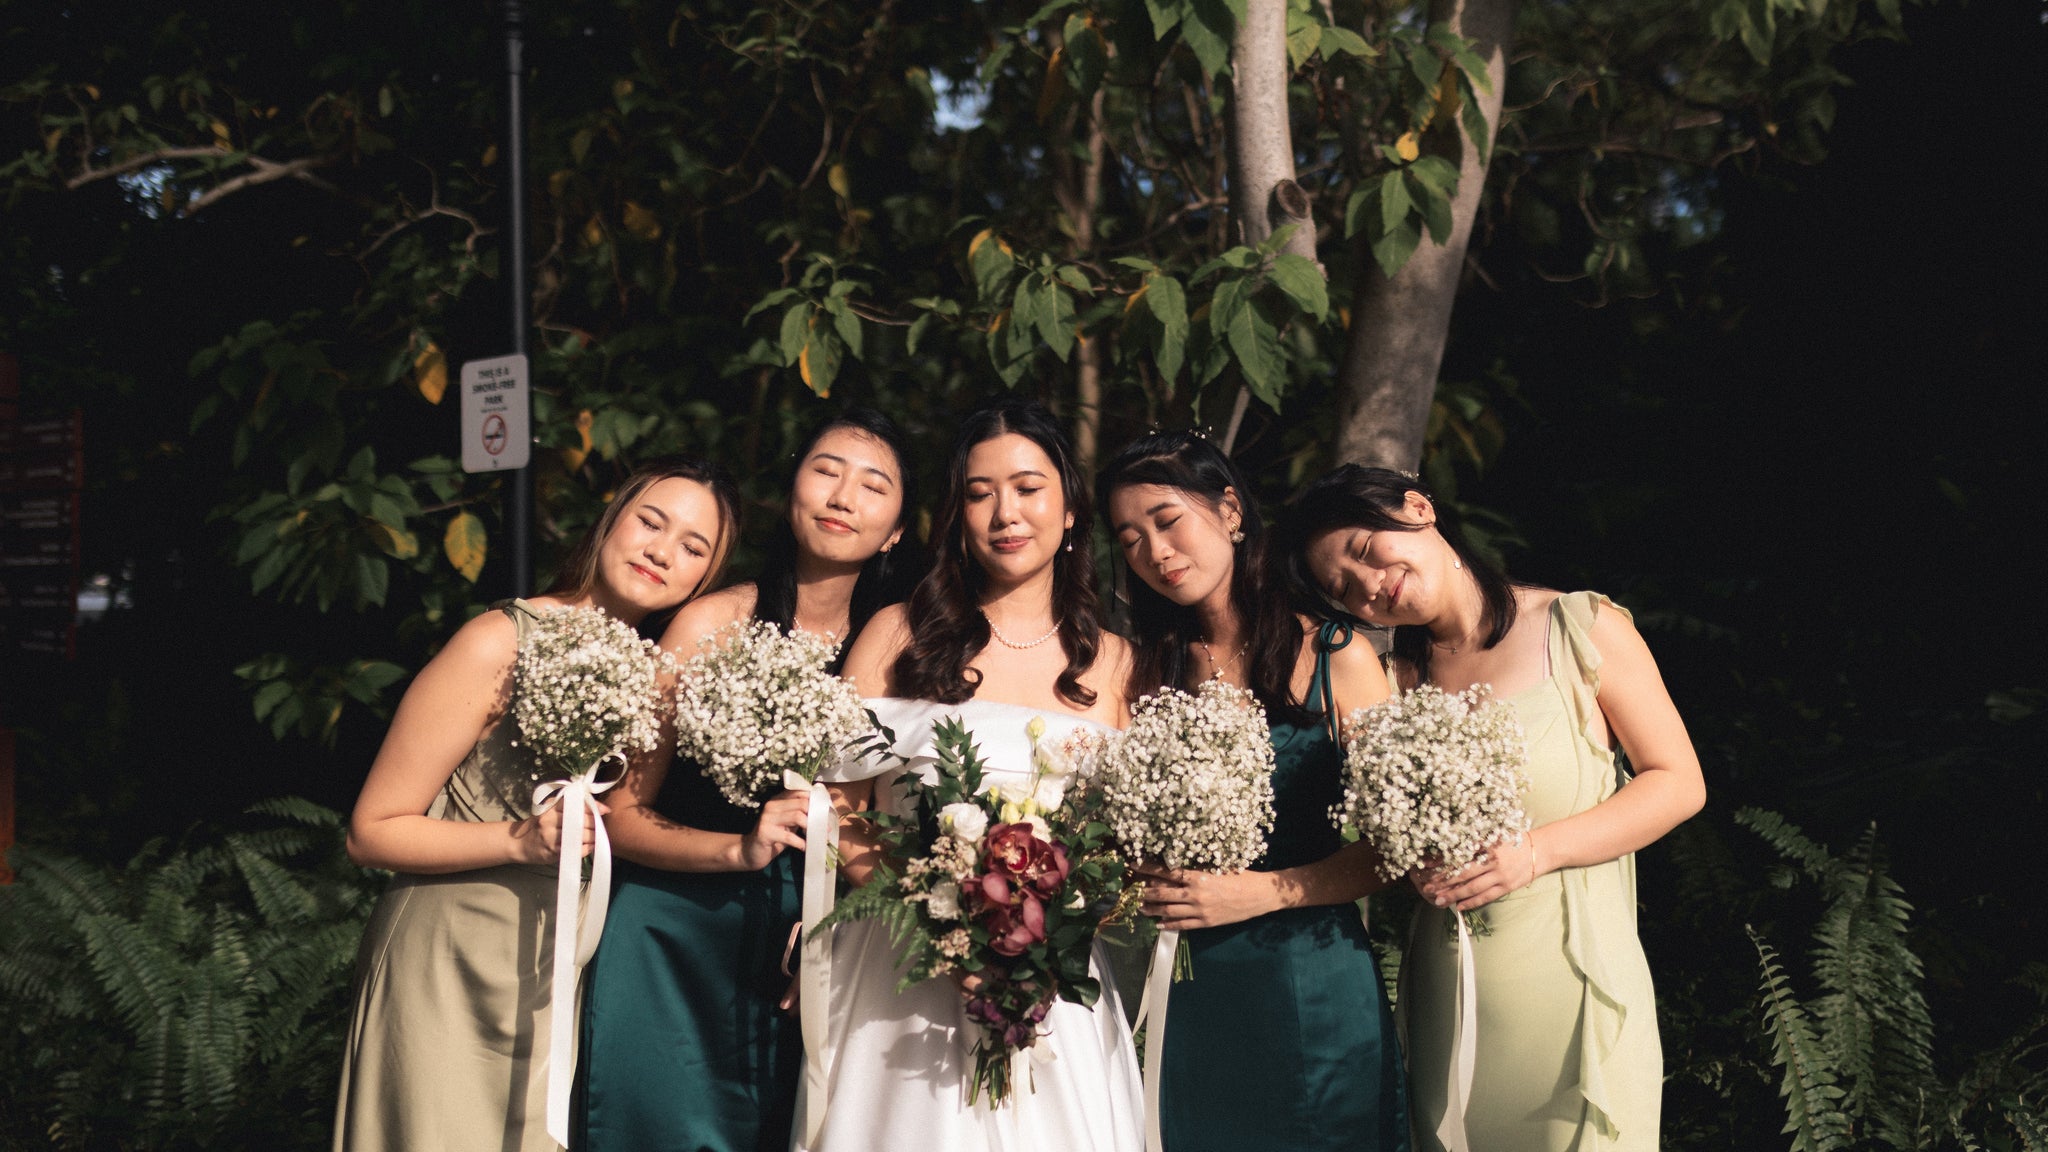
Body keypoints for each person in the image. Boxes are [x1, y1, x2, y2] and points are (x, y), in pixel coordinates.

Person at [1290, 465, 1705, 1152]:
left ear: (1418, 508)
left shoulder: (1577, 626)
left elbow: (1678, 781)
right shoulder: (1391, 685)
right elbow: (1382, 841)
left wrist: (1537, 852)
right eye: (1344, 589)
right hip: (1448, 997)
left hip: (1573, 994)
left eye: (1365, 551)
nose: (1369, 585)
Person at [334, 457, 741, 1152]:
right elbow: (371, 833)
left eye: (693, 547)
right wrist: (519, 839)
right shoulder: (499, 640)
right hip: (446, 966)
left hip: (554, 977)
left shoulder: (654, 678)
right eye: (651, 521)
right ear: (611, 519)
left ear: (703, 578)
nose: (662, 551)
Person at [800, 398, 1142, 1152]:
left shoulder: (1118, 664)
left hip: (1057, 986)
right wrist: (943, 930)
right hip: (905, 977)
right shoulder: (897, 634)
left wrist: (1042, 942)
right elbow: (838, 810)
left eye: (1027, 488)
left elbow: (1126, 847)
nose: (1004, 513)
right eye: (980, 494)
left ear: (1071, 508)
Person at [577, 409, 921, 1152]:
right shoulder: (708, 623)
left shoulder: (906, 649)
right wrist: (736, 848)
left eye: (873, 485)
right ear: (793, 486)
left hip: (817, 947)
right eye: (825, 470)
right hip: (670, 938)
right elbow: (620, 812)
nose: (842, 495)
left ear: (896, 529)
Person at [1096, 430, 1408, 1152]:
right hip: (1189, 988)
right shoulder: (1142, 673)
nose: (1156, 552)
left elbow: (1396, 850)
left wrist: (1263, 891)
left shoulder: (1336, 654)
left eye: (1168, 521)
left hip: (1310, 976)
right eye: (1131, 539)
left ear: (1230, 510)